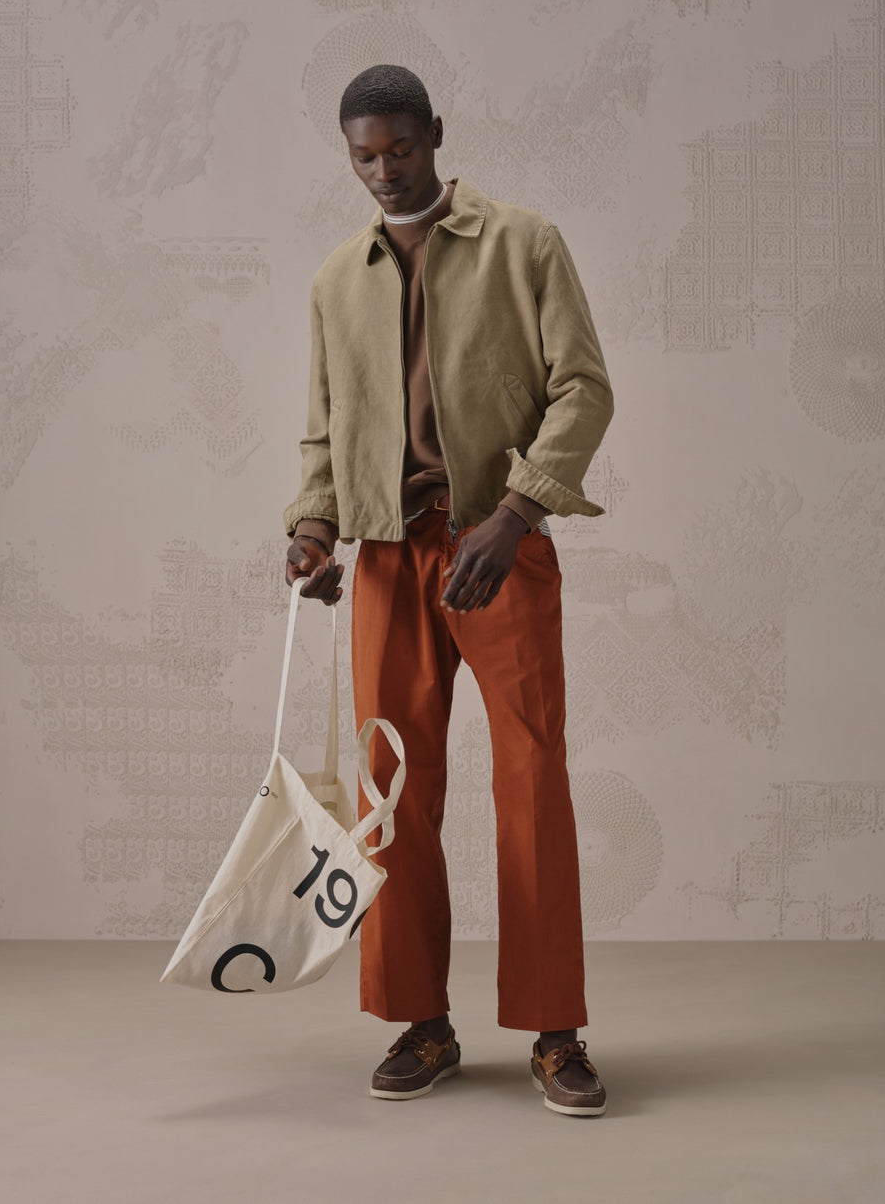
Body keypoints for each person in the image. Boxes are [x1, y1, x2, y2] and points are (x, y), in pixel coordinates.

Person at [283, 64, 614, 1116]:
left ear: (435, 133)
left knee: (532, 780)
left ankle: (556, 1032)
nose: (385, 171)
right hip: (387, 555)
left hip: (497, 544)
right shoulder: (337, 279)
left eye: (401, 148)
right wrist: (312, 531)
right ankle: (420, 1023)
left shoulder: (524, 242)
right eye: (365, 157)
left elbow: (583, 388)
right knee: (390, 792)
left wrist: (516, 515)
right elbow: (325, 431)